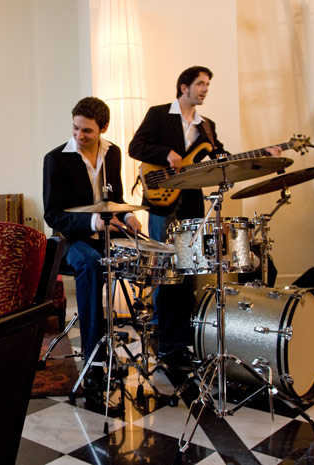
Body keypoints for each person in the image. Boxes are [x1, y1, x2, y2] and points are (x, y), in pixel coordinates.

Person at [128, 66, 281, 369]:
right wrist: (166, 153)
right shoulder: (159, 114)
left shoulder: (206, 126)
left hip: (191, 203)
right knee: (165, 268)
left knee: (187, 267)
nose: (204, 89)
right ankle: (161, 330)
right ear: (183, 87)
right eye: (200, 84)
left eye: (207, 85)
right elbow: (136, 147)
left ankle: (183, 332)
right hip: (161, 200)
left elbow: (221, 158)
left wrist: (262, 155)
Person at [43, 97, 141, 410]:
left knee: (150, 252)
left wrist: (128, 216)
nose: (79, 135)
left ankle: (161, 343)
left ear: (103, 128)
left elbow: (117, 198)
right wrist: (91, 222)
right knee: (90, 262)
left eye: (87, 130)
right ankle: (94, 364)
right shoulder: (55, 159)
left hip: (105, 235)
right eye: (75, 128)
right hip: (70, 239)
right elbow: (53, 215)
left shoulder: (113, 154)